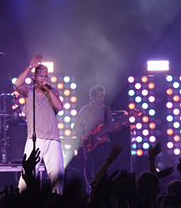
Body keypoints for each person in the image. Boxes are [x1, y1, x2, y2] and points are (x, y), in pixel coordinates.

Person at [15, 55, 64, 192]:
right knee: (28, 174)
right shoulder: (28, 92)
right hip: (34, 138)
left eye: (46, 76)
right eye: (41, 76)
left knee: (57, 176)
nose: (44, 79)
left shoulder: (53, 91)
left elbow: (59, 107)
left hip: (53, 138)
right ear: (35, 77)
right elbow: (17, 84)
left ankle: (58, 203)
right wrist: (30, 66)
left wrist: (48, 89)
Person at [74, 85, 121, 185]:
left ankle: (101, 187)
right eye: (100, 96)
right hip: (88, 143)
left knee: (102, 167)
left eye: (103, 96)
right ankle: (88, 187)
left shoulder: (106, 109)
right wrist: (84, 136)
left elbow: (110, 127)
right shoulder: (86, 109)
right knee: (88, 167)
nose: (102, 99)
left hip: (103, 142)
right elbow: (77, 126)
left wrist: (116, 127)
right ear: (93, 97)